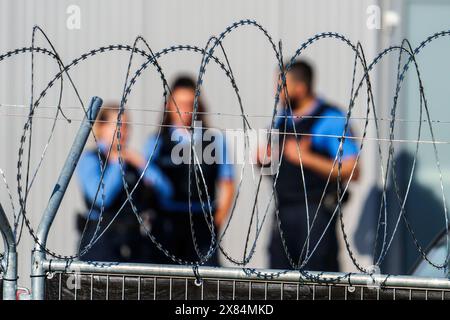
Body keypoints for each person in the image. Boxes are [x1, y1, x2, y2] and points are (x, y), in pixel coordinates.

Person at [259, 60, 360, 271]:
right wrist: (264, 160)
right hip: (283, 211)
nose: (277, 94)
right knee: (279, 282)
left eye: (281, 87)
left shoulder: (330, 119)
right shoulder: (283, 119)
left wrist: (305, 157)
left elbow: (352, 170)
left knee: (317, 282)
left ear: (300, 87)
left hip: (315, 213)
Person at [142, 75, 235, 266]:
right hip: (167, 222)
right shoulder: (157, 142)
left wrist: (215, 223)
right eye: (179, 104)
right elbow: (147, 180)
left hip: (202, 222)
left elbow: (227, 182)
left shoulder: (214, 140)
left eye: (190, 104)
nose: (184, 110)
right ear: (169, 105)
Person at [76, 102, 155, 262]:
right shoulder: (91, 158)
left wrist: (143, 164)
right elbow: (101, 197)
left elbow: (164, 189)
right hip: (100, 242)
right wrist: (117, 163)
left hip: (133, 242)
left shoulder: (133, 160)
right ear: (101, 127)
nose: (123, 131)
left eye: (126, 126)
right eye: (118, 125)